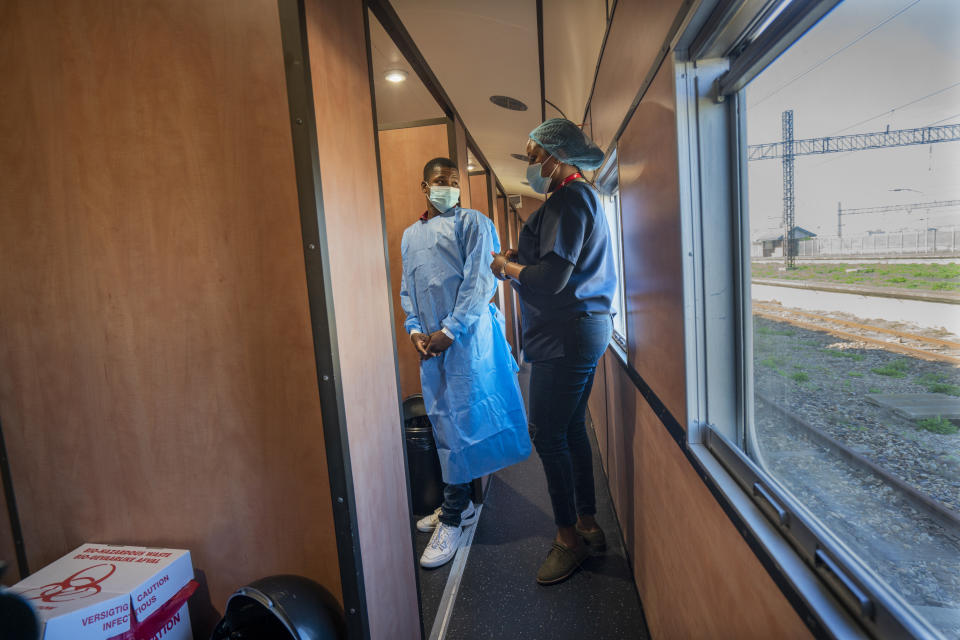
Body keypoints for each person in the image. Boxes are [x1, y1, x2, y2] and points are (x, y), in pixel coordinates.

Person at [489, 119, 616, 585]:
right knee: (570, 429)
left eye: (532, 155)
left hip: (566, 334)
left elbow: (551, 279)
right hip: (580, 330)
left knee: (547, 435)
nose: (530, 164)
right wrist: (522, 265)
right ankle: (586, 522)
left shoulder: (568, 199)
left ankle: (569, 540)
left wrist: (507, 266)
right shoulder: (580, 198)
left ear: (557, 157)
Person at [400, 156, 531, 569]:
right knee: (444, 425)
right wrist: (416, 330)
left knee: (464, 426)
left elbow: (481, 282)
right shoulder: (410, 236)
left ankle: (454, 516)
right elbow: (409, 289)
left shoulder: (473, 223)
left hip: (467, 342)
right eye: (440, 181)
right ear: (425, 187)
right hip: (433, 346)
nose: (448, 188)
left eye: (454, 182)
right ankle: (459, 505)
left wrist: (450, 331)